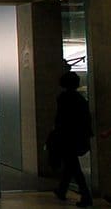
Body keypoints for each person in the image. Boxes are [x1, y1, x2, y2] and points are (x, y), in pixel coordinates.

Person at [51, 71, 92, 207]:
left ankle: (85, 194)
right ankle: (62, 190)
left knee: (73, 166)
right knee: (71, 164)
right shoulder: (80, 99)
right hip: (77, 136)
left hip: (66, 136)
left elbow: (60, 119)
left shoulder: (63, 98)